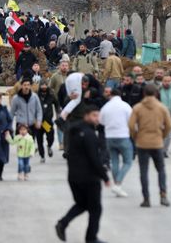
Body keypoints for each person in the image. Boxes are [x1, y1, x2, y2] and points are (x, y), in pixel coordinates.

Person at [55, 105, 110, 243]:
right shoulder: (89, 134)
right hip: (89, 178)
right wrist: (104, 176)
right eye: (94, 115)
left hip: (73, 177)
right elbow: (94, 158)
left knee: (82, 204)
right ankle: (91, 238)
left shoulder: (74, 131)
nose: (97, 119)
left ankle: (63, 223)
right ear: (86, 116)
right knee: (96, 208)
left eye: (98, 116)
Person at [129, 84, 171, 207]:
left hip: (142, 142)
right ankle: (163, 195)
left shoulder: (137, 108)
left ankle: (146, 198)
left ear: (143, 94)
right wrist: (162, 135)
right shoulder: (162, 107)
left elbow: (131, 125)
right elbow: (169, 125)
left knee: (144, 171)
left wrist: (136, 136)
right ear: (156, 94)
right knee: (161, 170)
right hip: (157, 142)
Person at [99, 88, 133, 197]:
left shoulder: (106, 107)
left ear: (111, 96)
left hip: (109, 136)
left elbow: (101, 121)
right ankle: (118, 184)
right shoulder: (125, 106)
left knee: (114, 161)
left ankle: (117, 186)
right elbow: (131, 120)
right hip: (123, 135)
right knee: (128, 161)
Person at [36, 81, 59, 162]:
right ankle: (42, 156)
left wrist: (58, 111)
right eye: (42, 85)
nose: (44, 86)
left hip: (47, 122)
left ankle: (49, 146)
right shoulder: (36, 96)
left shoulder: (51, 95)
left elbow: (57, 104)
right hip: (38, 122)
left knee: (50, 136)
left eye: (45, 85)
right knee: (39, 140)